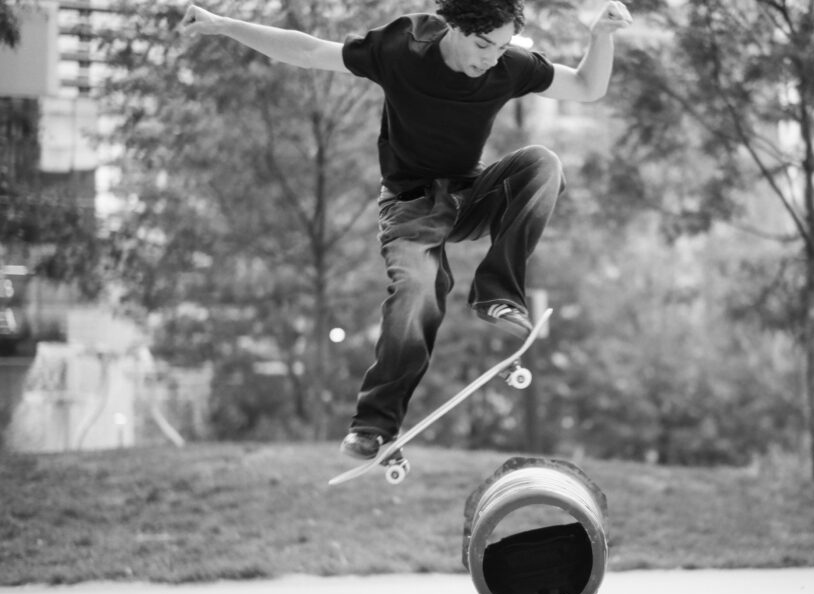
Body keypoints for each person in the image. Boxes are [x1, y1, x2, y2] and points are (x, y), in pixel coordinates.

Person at [179, 0, 632, 460]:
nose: (491, 58)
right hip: (410, 206)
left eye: (501, 46)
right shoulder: (403, 49)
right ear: (454, 26)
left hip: (469, 195)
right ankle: (373, 427)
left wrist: (601, 36)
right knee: (417, 292)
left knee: (543, 165)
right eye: (482, 45)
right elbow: (311, 51)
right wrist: (222, 25)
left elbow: (587, 86)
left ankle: (497, 293)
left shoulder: (509, 65)